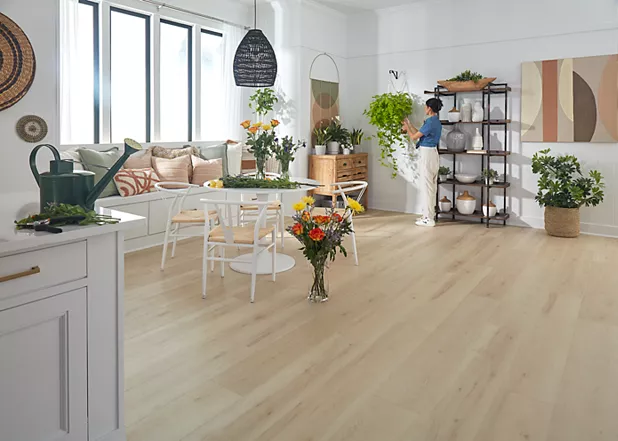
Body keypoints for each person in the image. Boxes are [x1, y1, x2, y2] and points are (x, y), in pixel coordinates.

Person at [402, 98, 443, 227]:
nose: (425, 109)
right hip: (433, 153)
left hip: (427, 154)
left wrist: (406, 129)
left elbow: (414, 137)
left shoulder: (430, 122)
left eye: (425, 107)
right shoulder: (434, 122)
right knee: (431, 186)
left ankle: (428, 218)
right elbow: (420, 133)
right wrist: (408, 124)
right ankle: (429, 215)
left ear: (429, 108)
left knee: (427, 186)